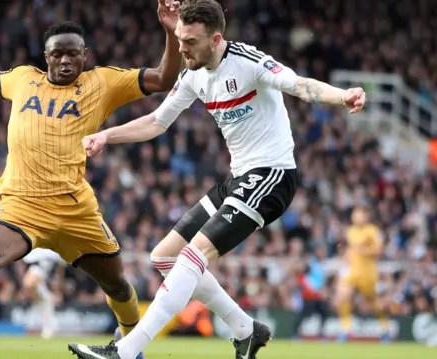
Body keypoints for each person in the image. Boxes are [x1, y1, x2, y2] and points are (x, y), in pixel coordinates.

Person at [66, 0, 366, 358]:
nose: (181, 49)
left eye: (189, 41)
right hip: (238, 178)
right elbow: (156, 122)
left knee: (194, 255)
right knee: (163, 257)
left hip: (272, 176)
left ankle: (126, 351)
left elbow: (299, 85)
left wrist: (342, 96)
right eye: (179, 39)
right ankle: (245, 329)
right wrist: (106, 136)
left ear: (216, 38)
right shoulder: (193, 73)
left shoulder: (249, 62)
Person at [0, 1, 182, 354]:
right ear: (45, 56)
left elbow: (164, 78)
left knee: (118, 286)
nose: (66, 61)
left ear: (85, 55)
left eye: (73, 55)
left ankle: (131, 345)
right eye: (57, 54)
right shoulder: (23, 78)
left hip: (74, 209)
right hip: (20, 203)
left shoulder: (104, 82)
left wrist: (171, 31)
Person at [335, 205, 389, 342]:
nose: (356, 216)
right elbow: (351, 248)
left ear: (366, 216)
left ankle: (385, 329)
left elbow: (380, 251)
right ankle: (346, 330)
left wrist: (363, 250)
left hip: (368, 274)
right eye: (354, 214)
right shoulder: (350, 231)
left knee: (374, 303)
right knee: (342, 295)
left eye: (359, 214)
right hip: (353, 272)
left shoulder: (373, 230)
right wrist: (346, 256)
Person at [21, 248, 65, 339]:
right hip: (38, 268)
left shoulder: (53, 250)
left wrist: (59, 286)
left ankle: (50, 322)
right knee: (43, 297)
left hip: (45, 271)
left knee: (29, 284)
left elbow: (61, 267)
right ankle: (51, 322)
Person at [293, 246, 329, 340]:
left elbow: (322, 280)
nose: (322, 253)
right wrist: (311, 289)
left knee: (323, 314)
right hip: (310, 294)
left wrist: (323, 290)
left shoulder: (322, 264)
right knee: (304, 315)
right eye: (320, 251)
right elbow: (305, 276)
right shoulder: (312, 263)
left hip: (318, 295)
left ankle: (321, 334)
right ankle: (296, 334)